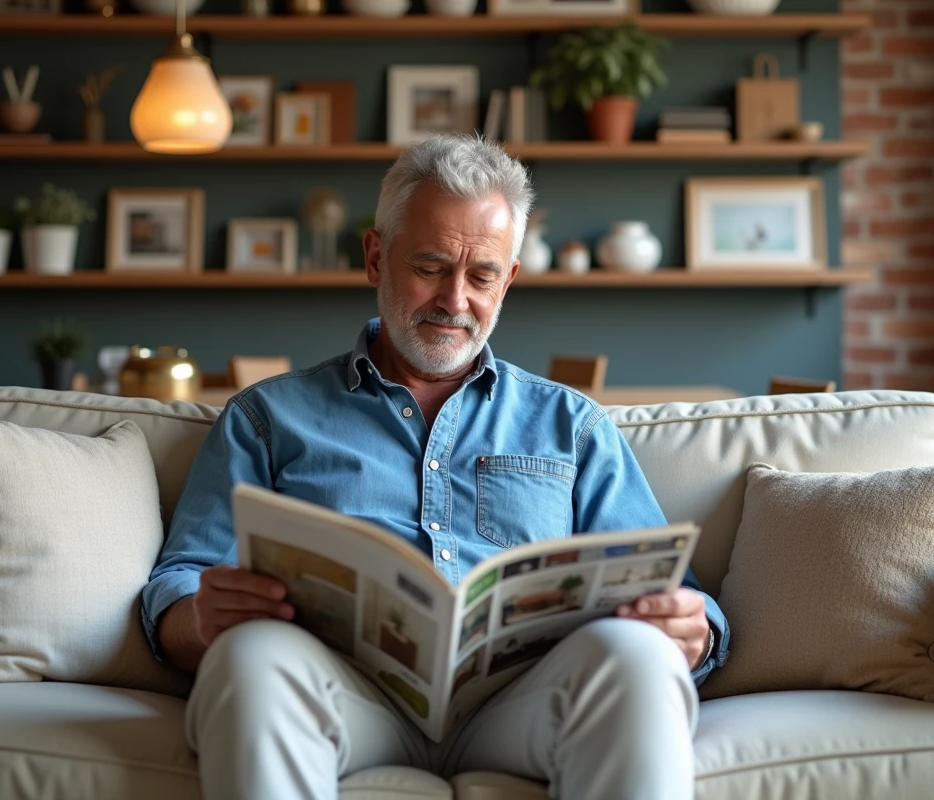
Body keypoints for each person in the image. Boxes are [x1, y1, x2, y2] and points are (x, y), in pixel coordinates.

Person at [141, 134, 730, 800]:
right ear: (375, 257)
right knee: (248, 658)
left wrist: (689, 628)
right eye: (429, 266)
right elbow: (179, 583)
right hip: (341, 693)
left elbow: (675, 589)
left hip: (524, 702)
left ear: (507, 281)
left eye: (482, 276)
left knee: (642, 654)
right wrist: (201, 616)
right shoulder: (267, 420)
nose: (455, 300)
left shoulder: (573, 426)